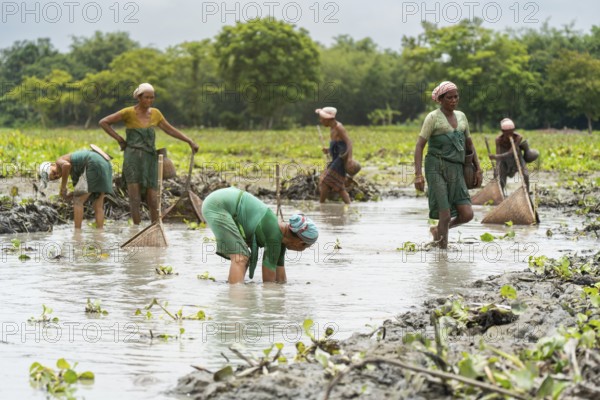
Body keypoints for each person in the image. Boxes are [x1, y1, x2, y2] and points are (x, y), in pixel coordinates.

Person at [99, 83, 199, 225]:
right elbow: (104, 122)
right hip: (132, 158)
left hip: (150, 158)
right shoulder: (128, 112)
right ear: (139, 98)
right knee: (134, 199)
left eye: (152, 98)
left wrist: (189, 141)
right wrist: (120, 139)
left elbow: (170, 129)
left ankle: (155, 227)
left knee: (153, 198)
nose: (149, 101)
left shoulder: (156, 114)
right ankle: (136, 228)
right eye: (146, 97)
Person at [414, 81, 483, 249]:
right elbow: (419, 146)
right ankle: (442, 253)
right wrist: (418, 174)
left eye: (456, 97)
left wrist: (478, 168)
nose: (454, 100)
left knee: (467, 214)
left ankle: (438, 231)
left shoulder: (461, 117)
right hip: (435, 167)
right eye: (449, 97)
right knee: (444, 214)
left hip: (456, 169)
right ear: (440, 99)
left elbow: (469, 145)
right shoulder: (433, 118)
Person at [201, 187, 319, 284]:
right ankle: (235, 301)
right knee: (240, 258)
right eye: (306, 247)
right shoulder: (274, 234)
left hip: (224, 201)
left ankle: (236, 297)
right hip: (218, 205)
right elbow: (268, 282)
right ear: (301, 242)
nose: (302, 250)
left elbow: (280, 278)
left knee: (243, 257)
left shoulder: (281, 237)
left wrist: (283, 290)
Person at [39, 149, 113, 229]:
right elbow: (83, 189)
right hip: (105, 164)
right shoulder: (75, 168)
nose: (56, 175)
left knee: (78, 201)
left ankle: (77, 234)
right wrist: (69, 195)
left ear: (52, 164)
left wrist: (63, 188)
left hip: (94, 163)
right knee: (98, 205)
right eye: (54, 178)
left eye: (53, 172)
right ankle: (100, 234)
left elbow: (66, 166)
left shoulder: (59, 161)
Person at [489, 118, 537, 194]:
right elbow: (498, 156)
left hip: (517, 158)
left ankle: (526, 192)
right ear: (503, 131)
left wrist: (495, 157)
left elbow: (510, 152)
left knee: (525, 174)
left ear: (514, 130)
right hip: (504, 160)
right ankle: (501, 194)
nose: (509, 135)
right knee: (501, 179)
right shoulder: (498, 140)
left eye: (511, 132)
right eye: (507, 133)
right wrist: (497, 168)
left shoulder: (518, 137)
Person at [316, 107, 353, 204]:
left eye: (322, 119)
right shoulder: (332, 128)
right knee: (340, 187)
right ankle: (349, 206)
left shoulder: (339, 127)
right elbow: (338, 145)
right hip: (336, 159)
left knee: (324, 182)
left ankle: (321, 206)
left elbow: (349, 142)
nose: (321, 121)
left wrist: (349, 159)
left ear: (328, 119)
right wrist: (328, 150)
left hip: (340, 160)